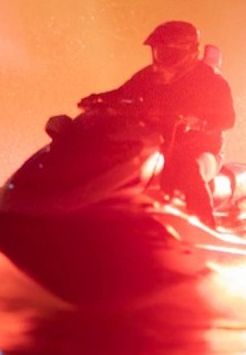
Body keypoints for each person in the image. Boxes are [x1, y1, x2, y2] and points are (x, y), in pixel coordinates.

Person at [81, 20, 235, 226]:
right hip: (154, 145)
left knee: (190, 170)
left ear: (188, 53)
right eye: (158, 52)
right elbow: (122, 94)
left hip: (200, 151)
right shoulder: (148, 76)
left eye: (169, 54)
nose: (161, 59)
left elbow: (228, 119)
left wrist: (201, 122)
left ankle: (207, 230)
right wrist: (98, 99)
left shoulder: (211, 81)